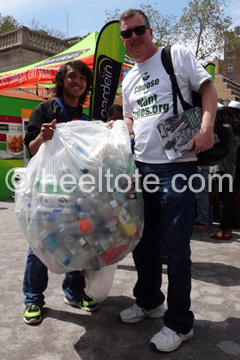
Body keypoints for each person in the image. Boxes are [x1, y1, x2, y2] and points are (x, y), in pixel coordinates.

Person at [117, 9, 217, 353]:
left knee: (176, 250)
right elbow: (132, 119)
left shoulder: (175, 56)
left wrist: (205, 129)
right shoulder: (128, 79)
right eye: (126, 34)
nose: (133, 38)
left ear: (150, 30)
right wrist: (115, 132)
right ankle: (149, 301)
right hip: (142, 169)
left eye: (138, 30)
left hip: (178, 168)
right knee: (143, 245)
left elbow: (208, 92)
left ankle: (179, 324)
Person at [23, 61, 99, 325]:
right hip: (47, 190)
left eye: (82, 78)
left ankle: (74, 293)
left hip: (76, 192)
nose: (77, 82)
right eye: (72, 77)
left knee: (78, 242)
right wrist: (42, 137)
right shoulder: (44, 110)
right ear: (62, 80)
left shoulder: (86, 119)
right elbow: (31, 150)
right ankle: (33, 300)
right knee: (39, 245)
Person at [210, 101, 240, 240]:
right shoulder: (235, 129)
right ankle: (227, 227)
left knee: (222, 200)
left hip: (220, 168)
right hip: (229, 168)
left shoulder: (225, 129)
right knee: (225, 199)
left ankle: (225, 230)